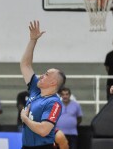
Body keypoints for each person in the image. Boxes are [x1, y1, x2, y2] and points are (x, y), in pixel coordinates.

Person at [20, 21, 66, 149]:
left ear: (53, 82)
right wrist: (33, 40)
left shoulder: (54, 103)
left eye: (46, 74)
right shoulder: (36, 89)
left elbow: (44, 130)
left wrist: (25, 118)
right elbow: (25, 65)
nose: (41, 75)